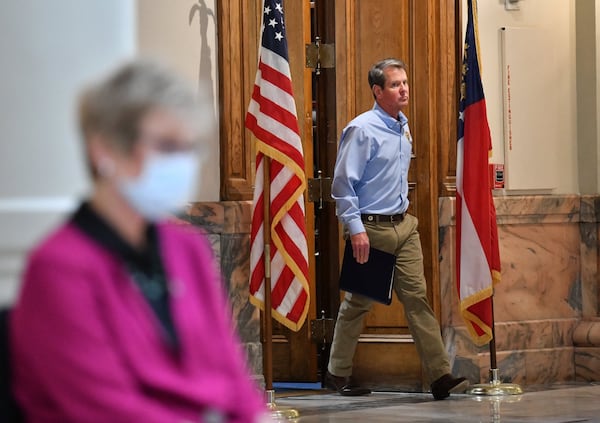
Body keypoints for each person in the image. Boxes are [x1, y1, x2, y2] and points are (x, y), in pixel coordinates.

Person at [10, 59, 269, 422]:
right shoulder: (59, 267)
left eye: (189, 148)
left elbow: (228, 370)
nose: (182, 163)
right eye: (166, 146)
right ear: (104, 150)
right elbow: (103, 408)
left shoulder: (186, 248)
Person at [325, 58, 469, 400]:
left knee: (418, 299)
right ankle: (337, 372)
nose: (403, 89)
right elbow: (343, 185)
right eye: (395, 84)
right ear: (377, 91)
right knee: (359, 303)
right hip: (371, 230)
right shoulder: (361, 130)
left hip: (404, 227)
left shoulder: (403, 126)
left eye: (404, 82)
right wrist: (355, 228)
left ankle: (439, 376)